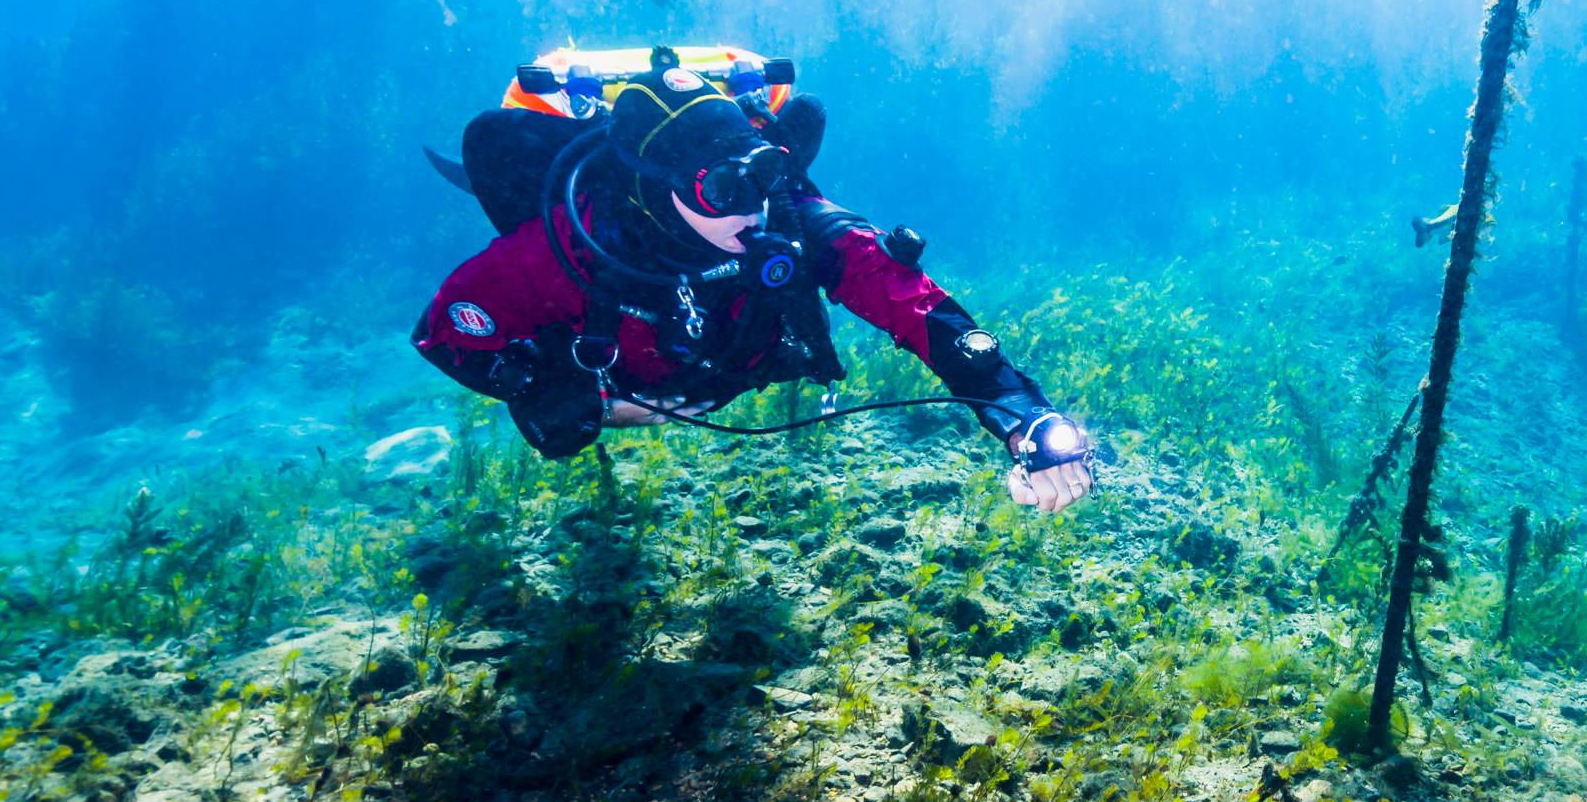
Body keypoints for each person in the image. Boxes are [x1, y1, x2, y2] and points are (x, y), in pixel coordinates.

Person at [413, 50, 1091, 511]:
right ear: (654, 190)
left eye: (763, 176)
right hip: (626, 381)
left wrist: (1023, 416)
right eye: (721, 189)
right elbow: (446, 333)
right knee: (559, 429)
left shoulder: (794, 222)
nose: (753, 209)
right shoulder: (571, 243)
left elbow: (923, 312)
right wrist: (554, 391)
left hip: (737, 369)